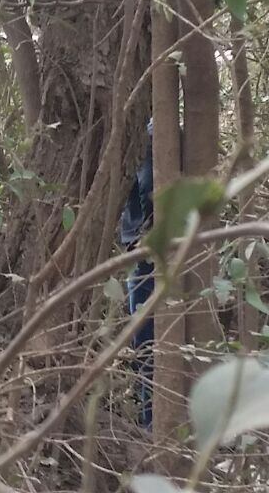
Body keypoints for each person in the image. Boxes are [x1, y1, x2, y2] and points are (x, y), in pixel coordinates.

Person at [119, 119, 156, 428]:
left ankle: (153, 421)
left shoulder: (158, 133)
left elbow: (149, 187)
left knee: (150, 338)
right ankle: (149, 419)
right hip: (139, 251)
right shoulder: (129, 134)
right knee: (145, 342)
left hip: (154, 251)